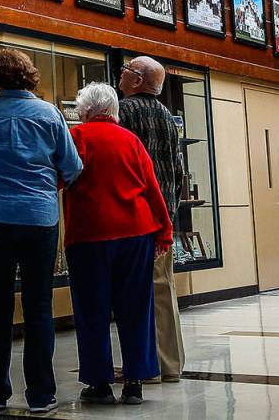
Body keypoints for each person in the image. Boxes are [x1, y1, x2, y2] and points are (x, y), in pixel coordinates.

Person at [0, 48, 82, 414]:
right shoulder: (50, 113)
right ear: (29, 77)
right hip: (40, 220)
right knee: (39, 305)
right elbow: (73, 166)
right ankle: (41, 394)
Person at [64, 82, 173, 405]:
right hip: (136, 231)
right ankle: (136, 381)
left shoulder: (77, 138)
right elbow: (152, 189)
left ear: (85, 111)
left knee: (92, 310)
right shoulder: (132, 141)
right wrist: (163, 232)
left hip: (89, 235)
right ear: (113, 110)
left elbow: (60, 178)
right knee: (137, 307)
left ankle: (99, 383)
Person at [117, 56, 187, 382]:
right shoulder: (168, 119)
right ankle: (170, 365)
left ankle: (146, 368)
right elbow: (179, 171)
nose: (121, 73)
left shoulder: (123, 112)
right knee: (163, 290)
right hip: (164, 220)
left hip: (134, 219)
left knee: (136, 295)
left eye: (126, 69)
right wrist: (170, 212)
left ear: (137, 80)